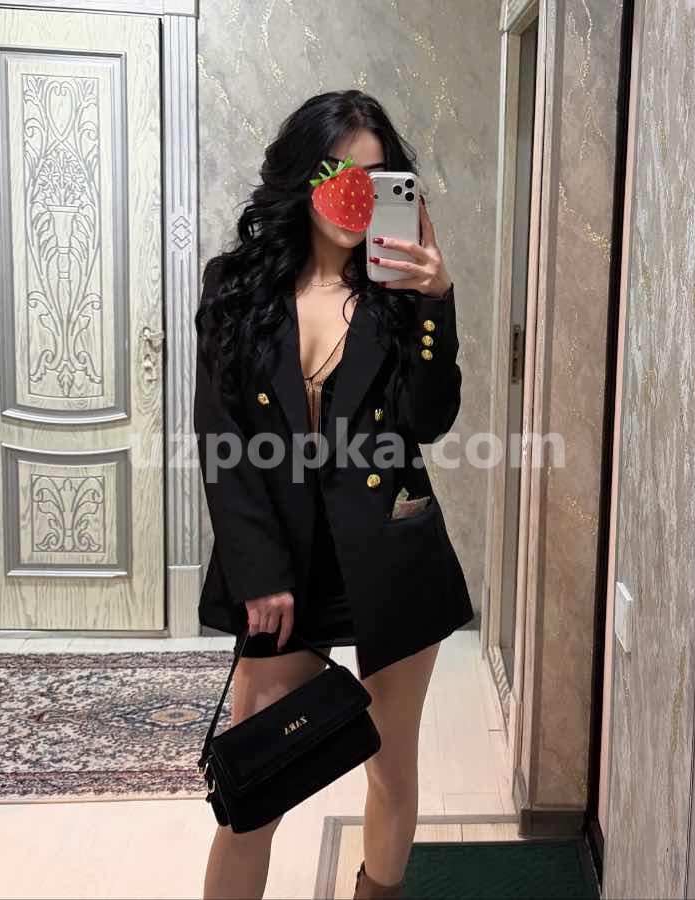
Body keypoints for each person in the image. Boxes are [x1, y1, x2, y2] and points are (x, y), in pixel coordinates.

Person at [194, 89, 474, 900]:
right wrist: (258, 573)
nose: (355, 192)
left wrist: (435, 304)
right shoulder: (235, 287)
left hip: (391, 554)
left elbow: (426, 420)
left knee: (390, 768)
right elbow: (222, 440)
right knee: (254, 792)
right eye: (336, 173)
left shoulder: (400, 290)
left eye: (375, 177)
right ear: (301, 177)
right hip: (281, 568)